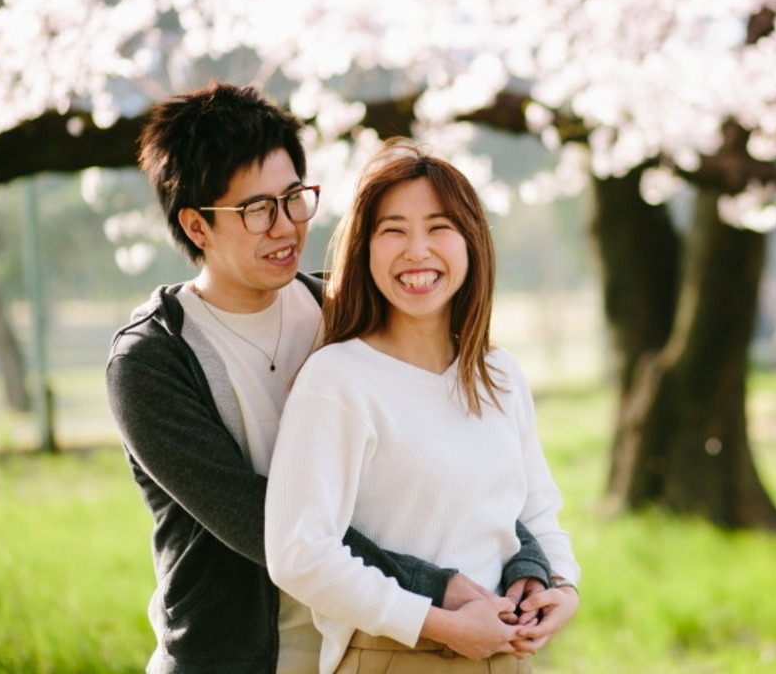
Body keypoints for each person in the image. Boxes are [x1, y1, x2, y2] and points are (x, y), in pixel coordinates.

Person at [106, 83, 552, 673]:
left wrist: (530, 564)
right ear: (196, 226)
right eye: (257, 210)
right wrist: (433, 588)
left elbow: (454, 463)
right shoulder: (153, 360)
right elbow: (267, 526)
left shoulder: (341, 311)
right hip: (232, 657)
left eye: (294, 198)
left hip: (357, 649)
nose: (287, 226)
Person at [265, 137, 581, 674]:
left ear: (471, 243)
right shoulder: (338, 379)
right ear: (364, 249)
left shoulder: (499, 374)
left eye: (439, 228)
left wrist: (559, 584)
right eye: (393, 231)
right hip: (393, 654)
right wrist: (437, 622)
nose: (417, 251)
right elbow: (299, 553)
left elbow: (536, 512)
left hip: (506, 654)